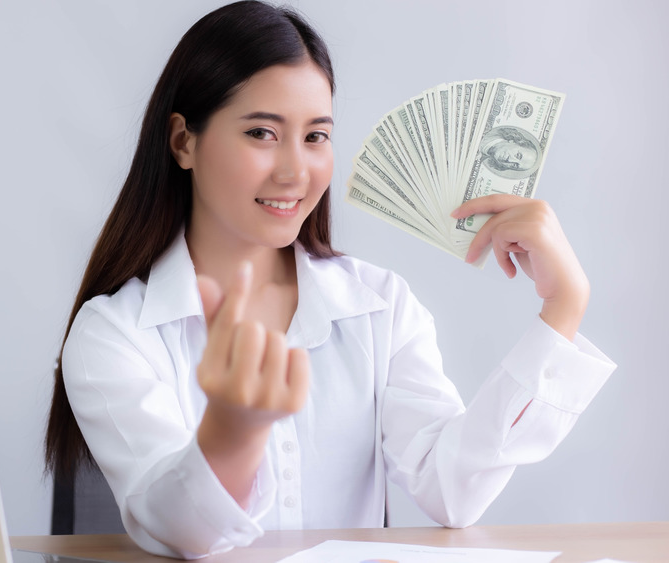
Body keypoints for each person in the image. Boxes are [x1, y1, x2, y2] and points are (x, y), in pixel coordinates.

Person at [44, 1, 615, 559]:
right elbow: (174, 532)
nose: (295, 171)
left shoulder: (379, 307)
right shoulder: (114, 334)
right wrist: (233, 432)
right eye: (262, 133)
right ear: (183, 141)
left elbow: (453, 490)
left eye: (315, 136)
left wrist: (562, 309)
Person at [478, 125, 542, 179]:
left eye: (515, 165)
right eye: (518, 155)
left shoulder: (478, 161)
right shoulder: (488, 131)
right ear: (514, 141)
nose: (510, 160)